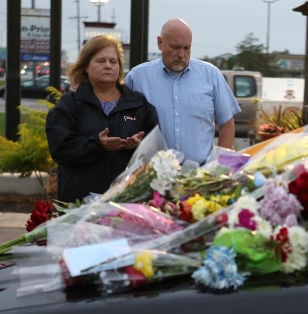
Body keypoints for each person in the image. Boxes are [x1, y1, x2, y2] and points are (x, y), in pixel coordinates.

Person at [46, 35, 159, 203]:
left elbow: (156, 146)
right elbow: (60, 148)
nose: (108, 66)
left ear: (120, 68)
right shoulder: (70, 104)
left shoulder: (138, 104)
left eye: (113, 62)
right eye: (101, 61)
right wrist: (97, 144)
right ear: (85, 67)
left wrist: (138, 146)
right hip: (79, 203)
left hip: (126, 202)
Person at [126, 18, 241, 166]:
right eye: (175, 47)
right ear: (160, 43)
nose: (181, 54)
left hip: (200, 177)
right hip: (151, 178)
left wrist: (219, 167)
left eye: (187, 48)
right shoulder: (138, 78)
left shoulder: (210, 75)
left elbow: (227, 124)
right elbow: (123, 119)